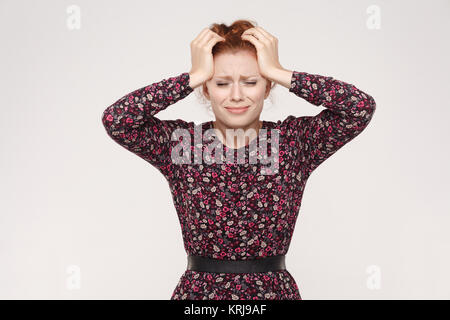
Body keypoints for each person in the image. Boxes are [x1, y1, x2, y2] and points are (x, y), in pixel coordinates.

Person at [101, 19, 376, 300]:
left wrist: (279, 72)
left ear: (267, 87)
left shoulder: (293, 142)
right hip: (199, 298)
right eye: (221, 83)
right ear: (206, 89)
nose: (236, 95)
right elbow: (117, 120)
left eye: (251, 81)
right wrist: (191, 78)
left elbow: (359, 108)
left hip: (273, 294)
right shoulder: (182, 144)